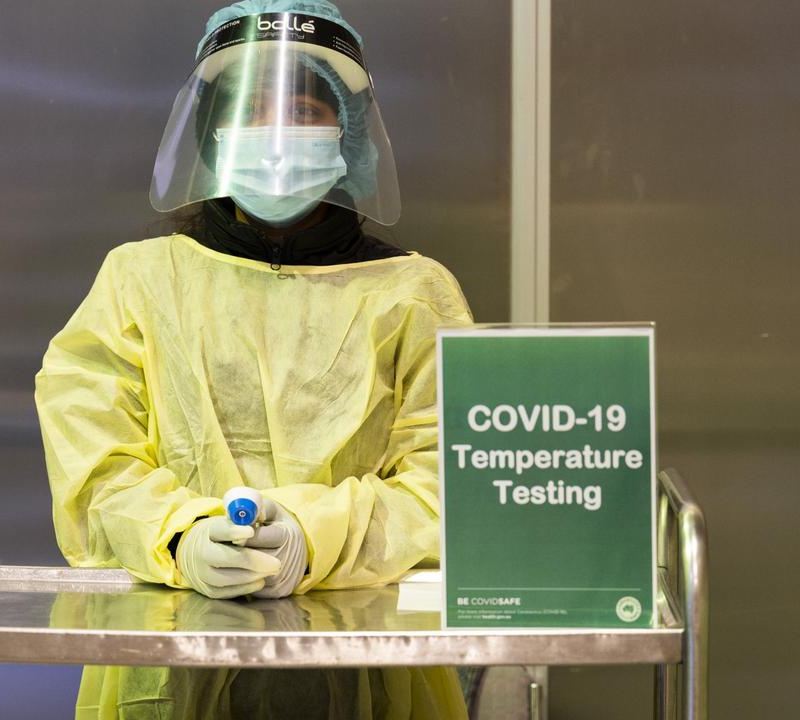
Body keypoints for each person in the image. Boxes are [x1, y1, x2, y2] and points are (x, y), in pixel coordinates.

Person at [35, 1, 473, 717]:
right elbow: (94, 467)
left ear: (347, 134)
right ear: (212, 131)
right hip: (169, 665)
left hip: (368, 669)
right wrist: (180, 538)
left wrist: (314, 538)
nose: (277, 133)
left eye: (303, 109)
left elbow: (449, 483)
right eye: (251, 108)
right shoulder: (137, 282)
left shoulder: (413, 294)